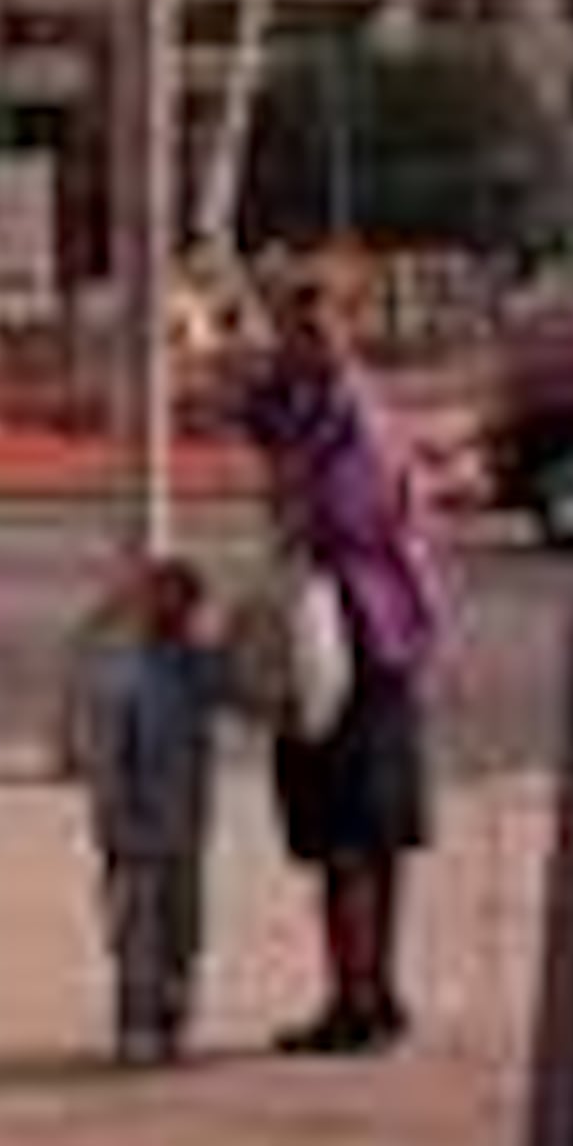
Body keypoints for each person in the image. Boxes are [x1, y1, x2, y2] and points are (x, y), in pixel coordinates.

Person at [236, 270, 447, 1055]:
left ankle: (356, 1002)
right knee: (366, 833)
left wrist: (292, 502)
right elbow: (252, 418)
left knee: (349, 834)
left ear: (345, 330)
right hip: (370, 638)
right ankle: (370, 992)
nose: (299, 341)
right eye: (292, 327)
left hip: (351, 640)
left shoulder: (347, 418)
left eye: (313, 326)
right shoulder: (318, 404)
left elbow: (341, 521)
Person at [72, 553, 233, 1066]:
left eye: (186, 604)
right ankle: (137, 1023)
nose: (177, 613)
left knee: (183, 929)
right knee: (136, 935)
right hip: (135, 829)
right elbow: (105, 752)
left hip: (185, 825)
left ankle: (173, 1016)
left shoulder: (199, 664)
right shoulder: (124, 669)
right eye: (162, 599)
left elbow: (245, 683)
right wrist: (109, 818)